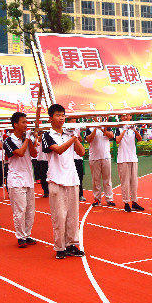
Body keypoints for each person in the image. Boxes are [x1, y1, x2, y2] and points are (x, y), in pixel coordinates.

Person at [42, 103, 85, 259]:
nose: (61, 118)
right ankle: (60, 247)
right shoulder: (48, 136)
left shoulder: (68, 134)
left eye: (63, 115)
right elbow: (59, 150)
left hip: (72, 178)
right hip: (56, 179)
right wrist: (73, 137)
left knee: (73, 215)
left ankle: (72, 244)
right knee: (60, 216)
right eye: (58, 115)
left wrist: (75, 137)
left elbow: (81, 152)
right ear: (51, 118)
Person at [3, 112, 38, 248]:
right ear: (15, 124)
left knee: (30, 210)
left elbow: (34, 154)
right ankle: (20, 236)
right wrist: (27, 140)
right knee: (20, 210)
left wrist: (31, 140)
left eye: (26, 122)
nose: (26, 124)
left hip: (29, 178)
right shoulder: (8, 140)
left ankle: (27, 234)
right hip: (16, 179)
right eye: (23, 122)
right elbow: (20, 153)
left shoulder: (27, 138)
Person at [115, 116, 147, 212]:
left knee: (134, 182)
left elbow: (140, 139)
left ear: (130, 117)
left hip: (133, 158)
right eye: (123, 115)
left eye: (127, 115)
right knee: (125, 182)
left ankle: (134, 202)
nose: (125, 117)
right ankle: (126, 203)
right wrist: (124, 130)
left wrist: (135, 130)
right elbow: (117, 140)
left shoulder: (134, 127)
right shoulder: (119, 128)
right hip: (123, 159)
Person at [86, 119, 115, 207]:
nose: (98, 118)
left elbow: (111, 136)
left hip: (106, 156)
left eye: (100, 117)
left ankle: (109, 199)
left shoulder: (107, 126)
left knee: (107, 180)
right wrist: (95, 128)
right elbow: (88, 139)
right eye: (96, 116)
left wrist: (103, 128)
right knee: (96, 180)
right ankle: (97, 199)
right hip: (94, 158)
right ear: (93, 118)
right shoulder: (90, 127)